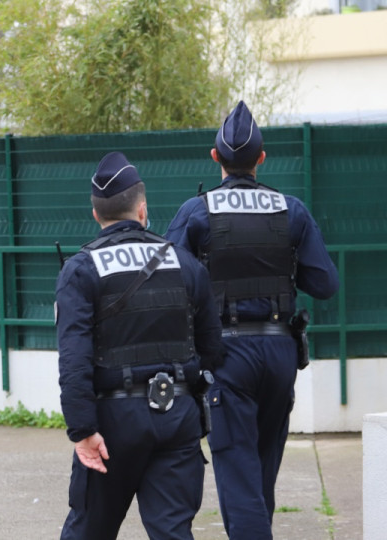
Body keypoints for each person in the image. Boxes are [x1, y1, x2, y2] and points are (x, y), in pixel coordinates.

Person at [165, 101, 339, 539]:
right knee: (260, 470)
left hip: (226, 355)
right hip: (280, 353)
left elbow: (168, 283)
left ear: (214, 157)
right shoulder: (291, 211)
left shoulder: (197, 212)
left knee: (238, 469)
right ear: (262, 158)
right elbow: (326, 285)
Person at [56, 152, 223, 540]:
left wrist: (83, 430)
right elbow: (213, 348)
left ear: (96, 214)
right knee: (172, 532)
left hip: (113, 424)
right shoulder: (184, 263)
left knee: (88, 531)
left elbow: (74, 359)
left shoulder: (81, 269)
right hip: (178, 416)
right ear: (143, 210)